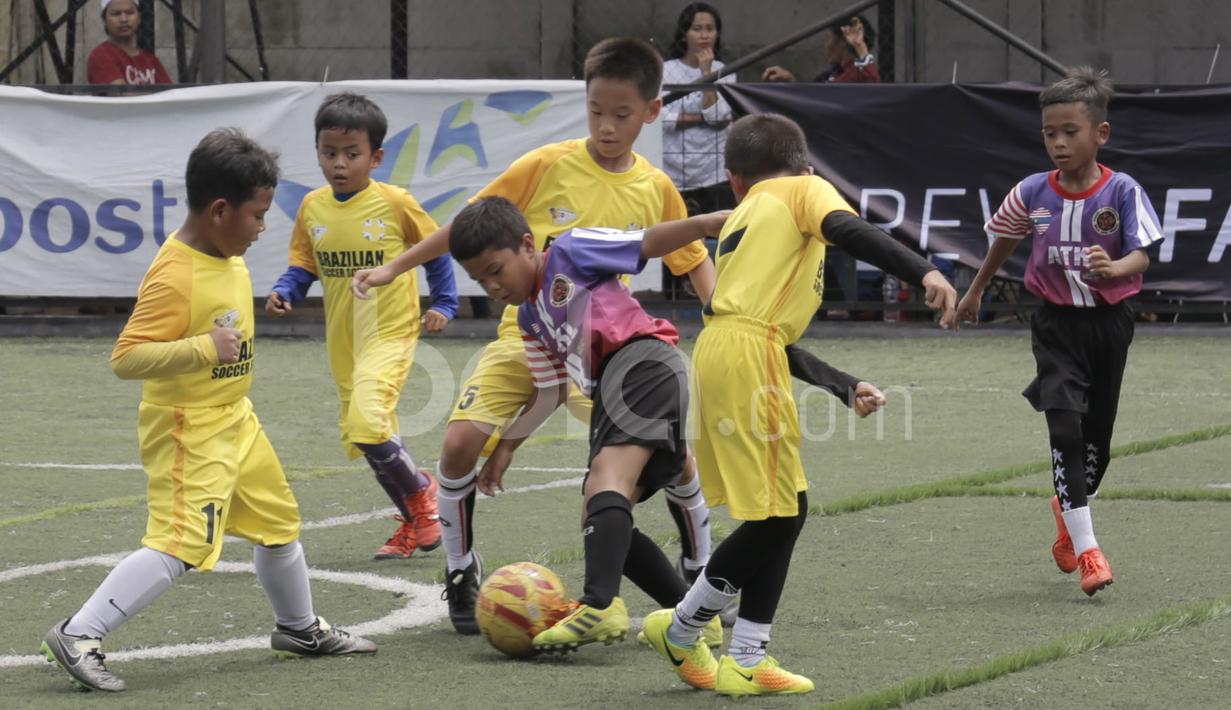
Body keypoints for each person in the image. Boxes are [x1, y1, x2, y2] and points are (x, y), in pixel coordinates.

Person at [351, 37, 718, 636]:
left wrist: (724, 311)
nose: (605, 125)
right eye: (596, 111)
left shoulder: (654, 187)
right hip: (525, 339)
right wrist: (397, 266)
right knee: (459, 445)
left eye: (621, 115)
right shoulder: (547, 164)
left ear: (651, 114)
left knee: (659, 462)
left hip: (600, 355)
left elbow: (689, 255)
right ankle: (460, 568)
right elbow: (470, 227)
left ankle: (698, 556)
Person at [40, 129, 375, 693]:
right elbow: (126, 357)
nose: (263, 228)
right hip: (187, 427)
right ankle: (79, 634)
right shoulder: (175, 273)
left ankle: (299, 629)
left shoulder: (226, 251)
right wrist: (202, 348)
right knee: (181, 542)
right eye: (257, 215)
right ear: (219, 210)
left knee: (277, 523)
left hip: (235, 418)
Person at [641, 113, 956, 697]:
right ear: (805, 165)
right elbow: (853, 231)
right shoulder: (803, 189)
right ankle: (688, 630)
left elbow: (766, 332)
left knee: (783, 510)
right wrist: (925, 270)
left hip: (724, 351)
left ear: (734, 180)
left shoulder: (748, 214)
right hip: (744, 355)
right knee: (781, 516)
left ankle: (741, 652)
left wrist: (843, 383)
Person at [446, 197, 730, 655]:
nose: (492, 286)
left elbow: (649, 241)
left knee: (606, 483)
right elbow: (549, 390)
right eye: (480, 280)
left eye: (496, 270)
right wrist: (506, 447)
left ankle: (599, 604)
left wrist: (714, 220)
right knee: (597, 512)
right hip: (623, 384)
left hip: (640, 361)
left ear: (526, 244)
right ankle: (692, 615)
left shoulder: (571, 251)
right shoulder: (527, 317)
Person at [956, 67, 1163, 598]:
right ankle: (1090, 551)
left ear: (1101, 134)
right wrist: (977, 290)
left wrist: (1118, 268)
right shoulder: (1030, 193)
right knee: (1064, 430)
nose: (1059, 142)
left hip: (1110, 325)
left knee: (1098, 441)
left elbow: (1144, 250)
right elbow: (1002, 239)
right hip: (1054, 326)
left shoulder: (1121, 190)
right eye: (1050, 132)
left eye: (1070, 131)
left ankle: (1067, 511)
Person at [266, 92, 457, 561]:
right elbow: (304, 264)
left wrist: (446, 303)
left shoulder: (395, 202)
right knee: (368, 437)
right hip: (344, 345)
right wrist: (287, 290)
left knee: (368, 424)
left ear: (376, 157)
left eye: (352, 154)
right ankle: (416, 522)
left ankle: (424, 497)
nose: (339, 163)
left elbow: (437, 247)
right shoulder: (312, 208)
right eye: (329, 153)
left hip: (390, 335)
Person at [662, 2, 735, 215]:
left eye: (710, 29)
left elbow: (718, 118)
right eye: (697, 29)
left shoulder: (725, 71)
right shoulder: (666, 70)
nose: (704, 35)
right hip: (674, 170)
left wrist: (706, 74)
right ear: (684, 34)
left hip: (713, 172)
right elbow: (662, 118)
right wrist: (700, 118)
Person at [761, 13, 879, 84]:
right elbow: (813, 100)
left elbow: (871, 82)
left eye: (830, 39)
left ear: (843, 42)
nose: (826, 45)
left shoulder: (857, 74)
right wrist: (791, 81)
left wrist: (859, 46)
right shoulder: (833, 73)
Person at [87, 0, 172, 87]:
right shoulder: (101, 54)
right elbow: (121, 94)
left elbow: (170, 93)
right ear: (104, 20)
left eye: (130, 13)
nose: (124, 19)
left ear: (139, 18)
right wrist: (157, 96)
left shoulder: (151, 60)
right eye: (116, 14)